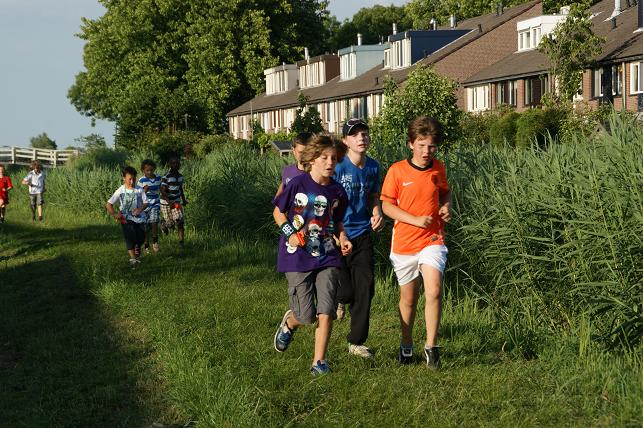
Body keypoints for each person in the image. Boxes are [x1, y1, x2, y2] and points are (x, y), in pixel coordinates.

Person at [272, 134, 352, 375]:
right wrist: (290, 234)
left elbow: (337, 223)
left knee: (326, 311)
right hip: (297, 256)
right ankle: (290, 322)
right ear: (313, 159)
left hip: (327, 255)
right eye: (324, 157)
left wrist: (343, 238)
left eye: (334, 158)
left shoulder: (338, 191)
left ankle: (319, 362)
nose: (330, 162)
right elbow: (278, 212)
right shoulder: (297, 183)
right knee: (306, 316)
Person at [380, 116, 452, 369]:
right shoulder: (397, 171)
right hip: (404, 243)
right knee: (409, 299)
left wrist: (446, 207)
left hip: (432, 239)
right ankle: (406, 341)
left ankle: (431, 347)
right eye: (421, 145)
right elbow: (387, 206)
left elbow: (445, 192)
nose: (426, 151)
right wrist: (414, 220)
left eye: (431, 146)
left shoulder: (438, 168)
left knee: (434, 289)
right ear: (411, 144)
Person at [334, 118, 383, 359]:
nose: (361, 137)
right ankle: (340, 299)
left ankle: (356, 341)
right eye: (354, 134)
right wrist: (337, 233)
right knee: (347, 292)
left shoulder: (373, 166)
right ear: (345, 141)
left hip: (362, 234)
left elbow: (374, 195)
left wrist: (377, 212)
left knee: (366, 287)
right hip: (337, 234)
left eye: (364, 133)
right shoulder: (337, 167)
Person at [106, 166, 149, 267]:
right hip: (125, 219)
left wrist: (140, 209)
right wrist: (115, 214)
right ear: (124, 178)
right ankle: (133, 259)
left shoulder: (139, 190)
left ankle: (137, 247)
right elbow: (108, 204)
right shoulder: (120, 190)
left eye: (134, 179)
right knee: (129, 236)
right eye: (129, 179)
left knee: (141, 238)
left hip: (140, 218)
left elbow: (146, 202)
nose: (132, 181)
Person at [274, 132, 312, 198]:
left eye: (307, 152)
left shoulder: (317, 173)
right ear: (293, 150)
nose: (304, 156)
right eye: (300, 152)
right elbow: (280, 194)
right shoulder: (287, 171)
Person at [160, 157, 188, 246]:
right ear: (170, 165)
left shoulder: (180, 177)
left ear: (180, 165)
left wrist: (184, 199)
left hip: (176, 202)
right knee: (170, 224)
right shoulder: (166, 176)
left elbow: (180, 188)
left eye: (177, 163)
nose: (176, 165)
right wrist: (169, 202)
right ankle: (163, 224)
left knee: (180, 221)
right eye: (173, 163)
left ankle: (181, 242)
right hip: (165, 202)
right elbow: (162, 190)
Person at [137, 159, 162, 253]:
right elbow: (138, 194)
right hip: (145, 205)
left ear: (154, 169)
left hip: (155, 203)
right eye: (147, 170)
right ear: (143, 170)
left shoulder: (158, 178)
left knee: (154, 221)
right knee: (145, 226)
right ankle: (146, 244)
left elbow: (161, 189)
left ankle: (155, 242)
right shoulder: (141, 180)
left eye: (151, 170)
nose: (149, 172)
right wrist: (144, 191)